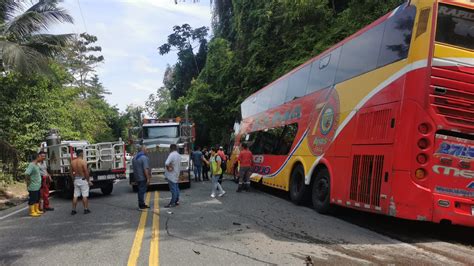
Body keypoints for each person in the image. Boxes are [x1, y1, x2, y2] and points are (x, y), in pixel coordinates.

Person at [25, 152, 46, 217]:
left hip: (37, 186)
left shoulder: (37, 164)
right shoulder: (31, 165)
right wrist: (28, 182)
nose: (41, 158)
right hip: (33, 186)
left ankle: (36, 210)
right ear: (37, 157)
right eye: (40, 157)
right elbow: (26, 174)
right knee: (33, 199)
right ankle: (32, 212)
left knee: (37, 198)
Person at [70, 150, 92, 215]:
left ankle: (73, 210)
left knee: (75, 195)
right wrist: (88, 180)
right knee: (84, 195)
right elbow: (86, 172)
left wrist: (73, 178)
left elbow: (70, 172)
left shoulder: (72, 162)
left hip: (76, 179)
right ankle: (86, 209)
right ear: (81, 154)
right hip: (82, 179)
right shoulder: (83, 162)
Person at [132, 146, 151, 210]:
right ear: (143, 150)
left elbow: (134, 168)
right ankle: (141, 205)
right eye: (146, 149)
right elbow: (145, 169)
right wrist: (148, 178)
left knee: (140, 190)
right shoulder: (144, 158)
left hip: (137, 177)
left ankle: (142, 204)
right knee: (141, 191)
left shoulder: (134, 158)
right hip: (142, 177)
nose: (147, 151)